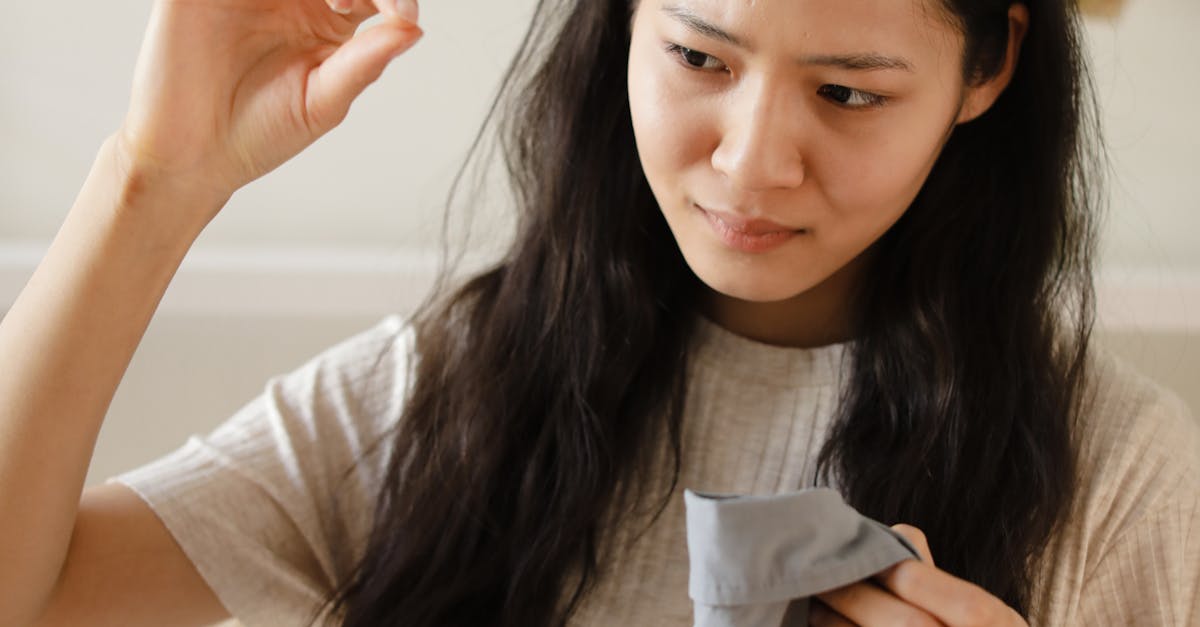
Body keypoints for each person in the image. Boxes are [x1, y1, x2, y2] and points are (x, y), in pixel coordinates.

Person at [1, 0, 1197, 625]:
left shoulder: (1129, 488)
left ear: (985, 72)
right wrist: (153, 182)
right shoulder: (447, 395)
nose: (749, 163)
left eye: (846, 92)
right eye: (699, 59)